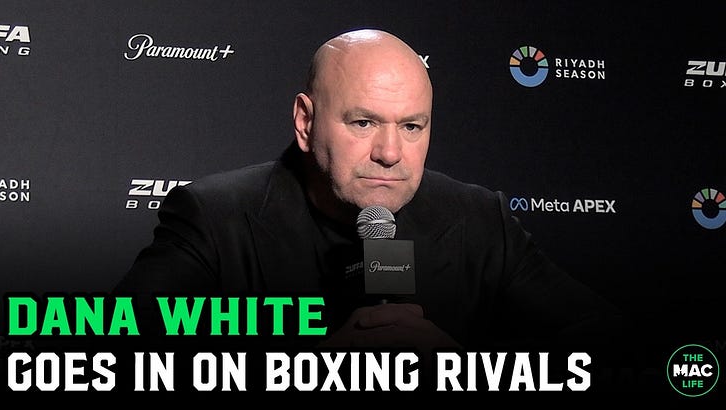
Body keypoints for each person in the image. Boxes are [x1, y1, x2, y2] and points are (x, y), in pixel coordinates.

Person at [113, 29, 621, 362]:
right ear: (305, 122)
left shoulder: (479, 219)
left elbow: (611, 344)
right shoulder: (214, 216)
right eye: (363, 123)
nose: (390, 153)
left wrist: (462, 368)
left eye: (412, 126)